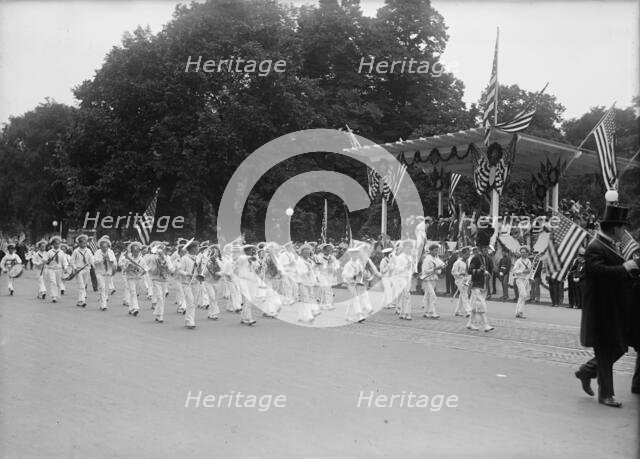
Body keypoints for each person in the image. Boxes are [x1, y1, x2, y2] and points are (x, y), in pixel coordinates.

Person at [575, 202, 638, 408]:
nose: (624, 231)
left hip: (611, 308)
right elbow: (597, 273)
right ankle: (605, 394)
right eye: (622, 227)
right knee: (606, 350)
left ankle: (587, 371)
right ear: (614, 228)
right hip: (600, 310)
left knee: (617, 347)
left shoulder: (608, 245)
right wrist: (624, 268)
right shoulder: (595, 247)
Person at [466, 232, 495, 332]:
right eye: (485, 248)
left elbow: (490, 270)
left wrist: (488, 273)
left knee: (475, 305)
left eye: (487, 248)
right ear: (480, 248)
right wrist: (480, 271)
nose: (487, 250)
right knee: (481, 305)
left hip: (484, 284)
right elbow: (470, 270)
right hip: (476, 284)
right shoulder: (475, 258)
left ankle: (470, 323)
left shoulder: (488, 258)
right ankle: (486, 325)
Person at [93, 236, 117, 311]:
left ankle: (103, 300)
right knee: (102, 287)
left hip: (107, 272)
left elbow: (114, 262)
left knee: (105, 289)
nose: (105, 248)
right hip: (99, 272)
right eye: (103, 247)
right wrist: (101, 259)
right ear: (100, 247)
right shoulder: (97, 252)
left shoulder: (111, 252)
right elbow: (94, 262)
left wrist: (109, 259)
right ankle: (103, 305)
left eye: (106, 247)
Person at [421, 243, 444, 319]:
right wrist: (434, 269)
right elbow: (425, 270)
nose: (436, 252)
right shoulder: (427, 259)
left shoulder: (436, 259)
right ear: (430, 251)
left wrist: (439, 270)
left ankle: (426, 312)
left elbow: (440, 268)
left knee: (428, 295)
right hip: (427, 279)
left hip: (433, 278)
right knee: (433, 295)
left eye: (437, 251)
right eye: (435, 250)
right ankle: (433, 312)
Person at [70, 234, 94, 308]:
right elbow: (72, 261)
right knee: (81, 286)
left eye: (85, 242)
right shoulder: (76, 251)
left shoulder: (88, 251)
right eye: (82, 242)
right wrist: (74, 267)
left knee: (84, 284)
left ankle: (80, 300)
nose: (84, 244)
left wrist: (94, 265)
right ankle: (82, 300)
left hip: (86, 269)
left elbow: (92, 259)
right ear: (79, 243)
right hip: (79, 270)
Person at [44, 236, 68, 303]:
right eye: (55, 243)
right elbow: (45, 260)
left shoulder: (61, 252)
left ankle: (56, 295)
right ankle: (53, 296)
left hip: (59, 269)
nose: (57, 245)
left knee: (58, 283)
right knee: (53, 282)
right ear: (53, 244)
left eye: (58, 243)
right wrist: (47, 260)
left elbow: (64, 261)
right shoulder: (49, 252)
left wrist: (65, 268)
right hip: (51, 269)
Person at [512, 246, 531, 319]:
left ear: (527, 253)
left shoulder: (529, 261)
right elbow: (514, 271)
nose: (522, 254)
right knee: (524, 294)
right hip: (519, 279)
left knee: (522, 296)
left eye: (524, 252)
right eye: (521, 252)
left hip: (526, 279)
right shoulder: (518, 261)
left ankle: (519, 312)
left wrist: (529, 275)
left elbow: (529, 270)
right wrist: (522, 271)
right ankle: (519, 311)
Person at [452, 246, 471, 317]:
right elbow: (453, 272)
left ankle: (457, 311)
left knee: (462, 296)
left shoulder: (468, 261)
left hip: (466, 280)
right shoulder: (457, 262)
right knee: (465, 295)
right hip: (459, 281)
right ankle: (469, 311)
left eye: (469, 254)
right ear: (462, 254)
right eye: (466, 254)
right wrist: (460, 274)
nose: (468, 256)